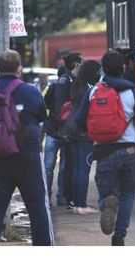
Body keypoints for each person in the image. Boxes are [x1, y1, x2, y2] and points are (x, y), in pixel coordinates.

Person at [75, 50, 135, 245]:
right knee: (128, 194)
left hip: (104, 152)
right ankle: (119, 236)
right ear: (123, 68)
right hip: (130, 151)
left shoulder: (93, 91)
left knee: (107, 194)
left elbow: (79, 121)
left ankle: (107, 204)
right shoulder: (133, 93)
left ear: (103, 69)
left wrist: (96, 133)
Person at [0, 50, 54, 246]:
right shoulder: (31, 91)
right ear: (19, 69)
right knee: (37, 206)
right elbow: (41, 116)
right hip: (27, 156)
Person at [66, 60, 101, 215]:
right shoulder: (89, 89)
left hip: (72, 132)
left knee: (76, 167)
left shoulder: (76, 85)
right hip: (83, 133)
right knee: (83, 169)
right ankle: (81, 205)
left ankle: (75, 203)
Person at [54, 52, 83, 209]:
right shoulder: (65, 80)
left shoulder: (75, 80)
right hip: (67, 128)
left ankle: (70, 196)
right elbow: (61, 107)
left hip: (73, 128)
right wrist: (64, 128)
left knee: (71, 163)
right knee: (68, 164)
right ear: (77, 64)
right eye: (81, 62)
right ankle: (67, 196)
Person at [43, 66, 66, 206]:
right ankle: (50, 196)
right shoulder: (52, 88)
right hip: (54, 132)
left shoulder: (70, 87)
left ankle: (57, 196)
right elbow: (43, 106)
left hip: (58, 133)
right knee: (51, 167)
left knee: (54, 167)